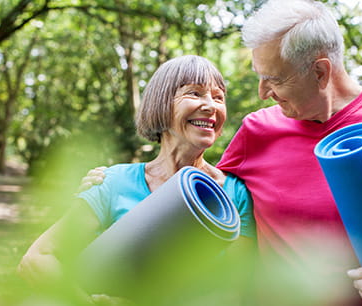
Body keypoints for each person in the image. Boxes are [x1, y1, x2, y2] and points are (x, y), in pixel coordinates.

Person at [82, 1, 362, 305]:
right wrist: (106, 182)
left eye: (273, 79)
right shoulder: (257, 131)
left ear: (320, 72)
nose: (262, 93)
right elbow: (192, 191)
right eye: (259, 76)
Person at [17, 55, 256, 305]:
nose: (210, 105)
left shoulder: (234, 195)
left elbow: (236, 291)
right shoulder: (112, 182)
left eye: (218, 97)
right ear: (161, 103)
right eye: (195, 93)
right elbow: (36, 260)